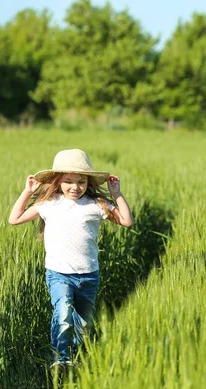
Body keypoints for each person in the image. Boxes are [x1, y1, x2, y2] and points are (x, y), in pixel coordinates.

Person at [9, 149, 134, 370]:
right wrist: (27, 192)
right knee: (63, 313)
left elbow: (126, 221)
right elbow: (14, 219)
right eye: (68, 181)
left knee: (84, 324)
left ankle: (75, 358)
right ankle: (61, 357)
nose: (75, 187)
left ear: (88, 183)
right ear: (57, 181)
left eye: (81, 181)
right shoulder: (49, 204)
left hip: (88, 275)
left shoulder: (95, 205)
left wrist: (117, 194)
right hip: (58, 274)